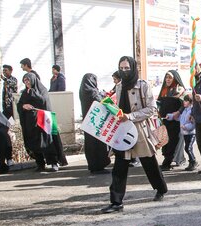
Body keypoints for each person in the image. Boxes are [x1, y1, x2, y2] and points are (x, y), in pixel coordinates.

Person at [100, 56, 168, 213]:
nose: (124, 71)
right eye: (121, 68)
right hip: (122, 131)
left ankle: (161, 188)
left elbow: (151, 108)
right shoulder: (119, 86)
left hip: (139, 130)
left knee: (149, 162)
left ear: (133, 68)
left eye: (127, 68)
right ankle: (116, 202)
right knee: (119, 166)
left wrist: (130, 116)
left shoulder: (143, 85)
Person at [16, 73, 59, 172]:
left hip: (42, 121)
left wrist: (33, 92)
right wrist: (24, 106)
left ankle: (53, 162)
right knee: (34, 143)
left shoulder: (42, 90)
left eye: (28, 80)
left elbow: (43, 101)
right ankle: (40, 164)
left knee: (47, 141)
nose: (27, 82)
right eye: (25, 81)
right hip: (30, 122)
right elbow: (20, 104)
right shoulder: (25, 93)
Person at [79, 73, 111, 174]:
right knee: (98, 144)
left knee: (90, 144)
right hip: (96, 122)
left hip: (88, 122)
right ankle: (99, 166)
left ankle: (93, 165)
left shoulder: (83, 90)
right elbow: (101, 101)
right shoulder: (92, 91)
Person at [157, 70, 186, 170]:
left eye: (170, 78)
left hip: (175, 121)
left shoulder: (180, 90)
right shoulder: (164, 90)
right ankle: (168, 159)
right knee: (164, 140)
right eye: (166, 77)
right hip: (165, 120)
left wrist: (177, 112)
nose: (168, 80)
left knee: (172, 141)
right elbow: (160, 103)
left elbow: (184, 104)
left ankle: (167, 162)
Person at [179, 95, 197, 170]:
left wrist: (186, 127)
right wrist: (170, 116)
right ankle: (191, 163)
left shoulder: (191, 111)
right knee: (188, 148)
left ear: (190, 102)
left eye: (186, 101)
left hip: (191, 133)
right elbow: (180, 119)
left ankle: (193, 161)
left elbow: (193, 123)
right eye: (184, 100)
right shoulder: (185, 110)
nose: (184, 102)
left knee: (188, 148)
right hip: (185, 133)